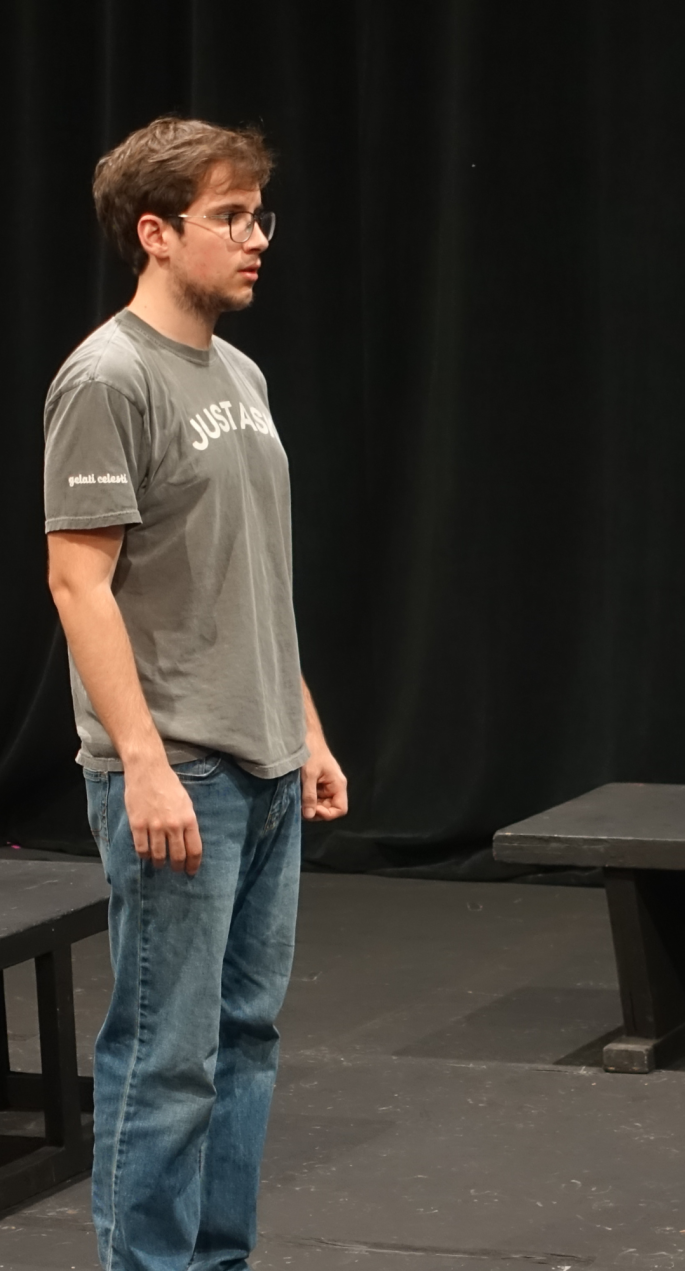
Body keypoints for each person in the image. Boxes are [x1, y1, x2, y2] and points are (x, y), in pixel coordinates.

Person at [43, 116, 349, 1271]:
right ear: (155, 233)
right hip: (180, 768)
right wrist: (144, 759)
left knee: (244, 1041)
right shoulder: (107, 376)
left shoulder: (242, 371)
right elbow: (80, 583)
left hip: (263, 758)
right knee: (166, 1055)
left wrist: (306, 727)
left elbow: (247, 575)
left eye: (259, 213)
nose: (256, 236)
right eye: (229, 216)